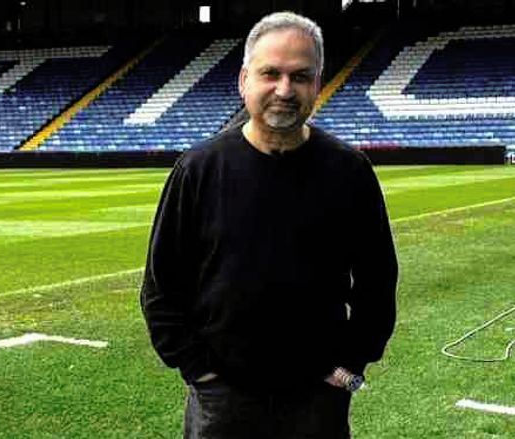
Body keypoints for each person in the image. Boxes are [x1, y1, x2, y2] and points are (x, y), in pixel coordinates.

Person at [140, 11, 398, 439]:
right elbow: (161, 286)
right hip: (221, 397)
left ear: (317, 83)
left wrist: (350, 369)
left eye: (300, 76)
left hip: (319, 397)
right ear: (245, 81)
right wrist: (197, 370)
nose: (284, 89)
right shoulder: (199, 170)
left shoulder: (349, 171)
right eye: (270, 74)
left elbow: (378, 282)